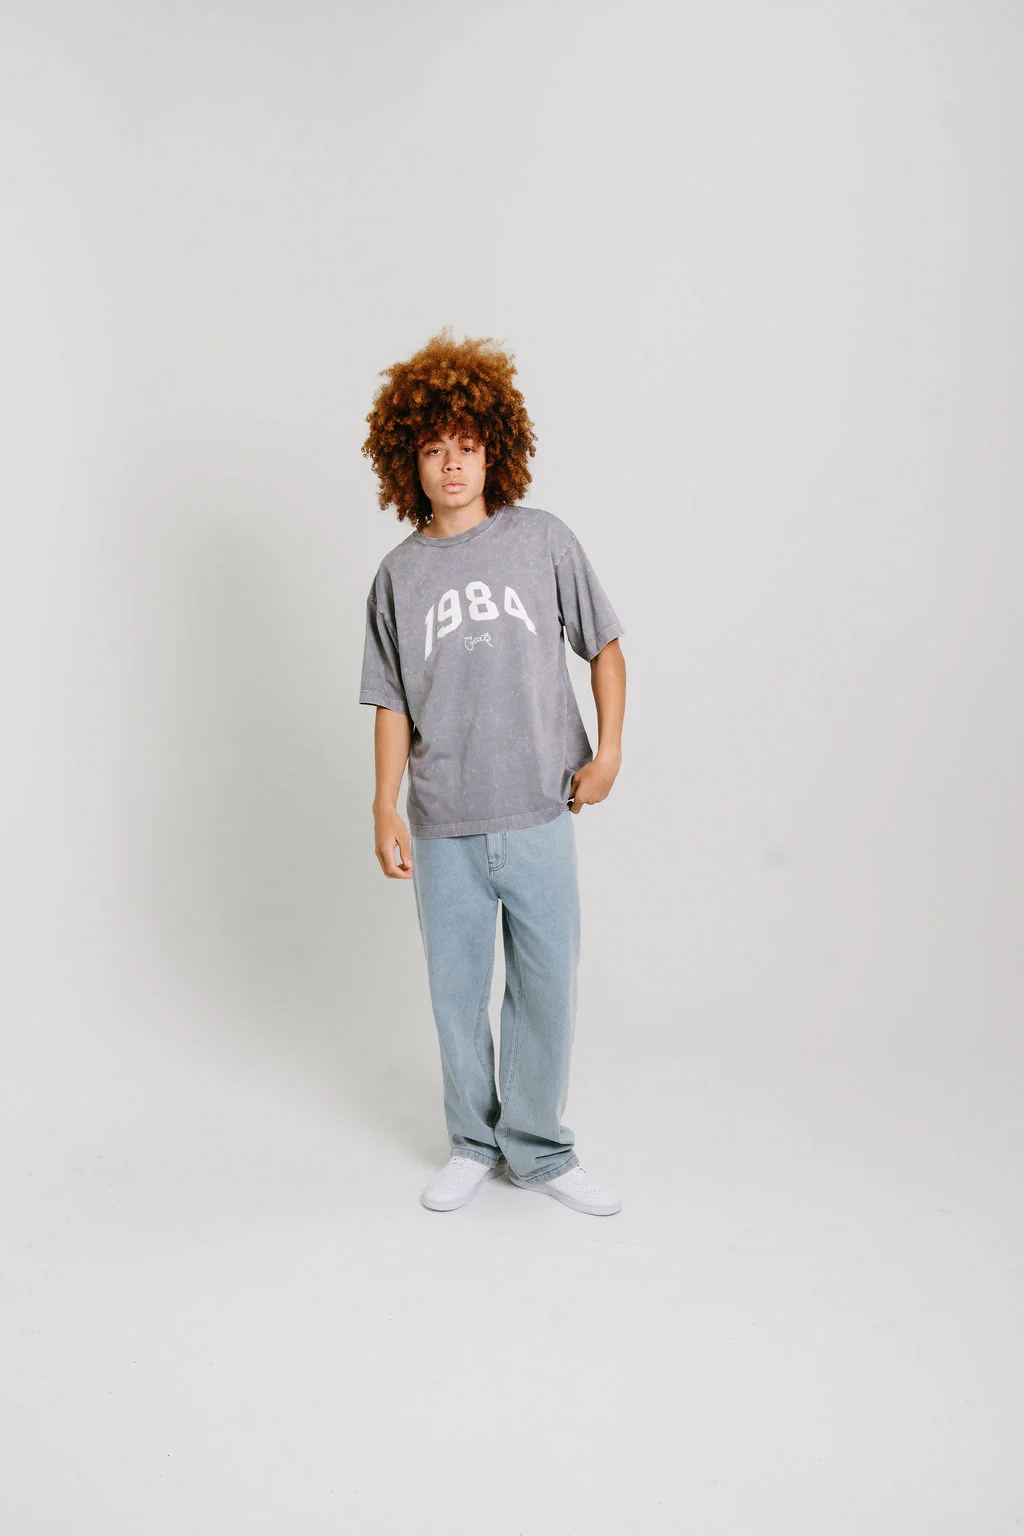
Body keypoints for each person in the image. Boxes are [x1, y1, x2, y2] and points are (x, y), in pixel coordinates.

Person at [358, 327, 627, 1216]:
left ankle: (540, 1150)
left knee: (547, 989)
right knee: (457, 995)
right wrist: (383, 806)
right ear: (407, 461)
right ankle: (474, 1142)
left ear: (494, 450)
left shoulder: (542, 540)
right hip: (444, 822)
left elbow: (606, 646)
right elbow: (391, 700)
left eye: (467, 445)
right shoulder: (397, 577)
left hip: (540, 809)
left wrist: (609, 752)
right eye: (433, 448)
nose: (452, 463)